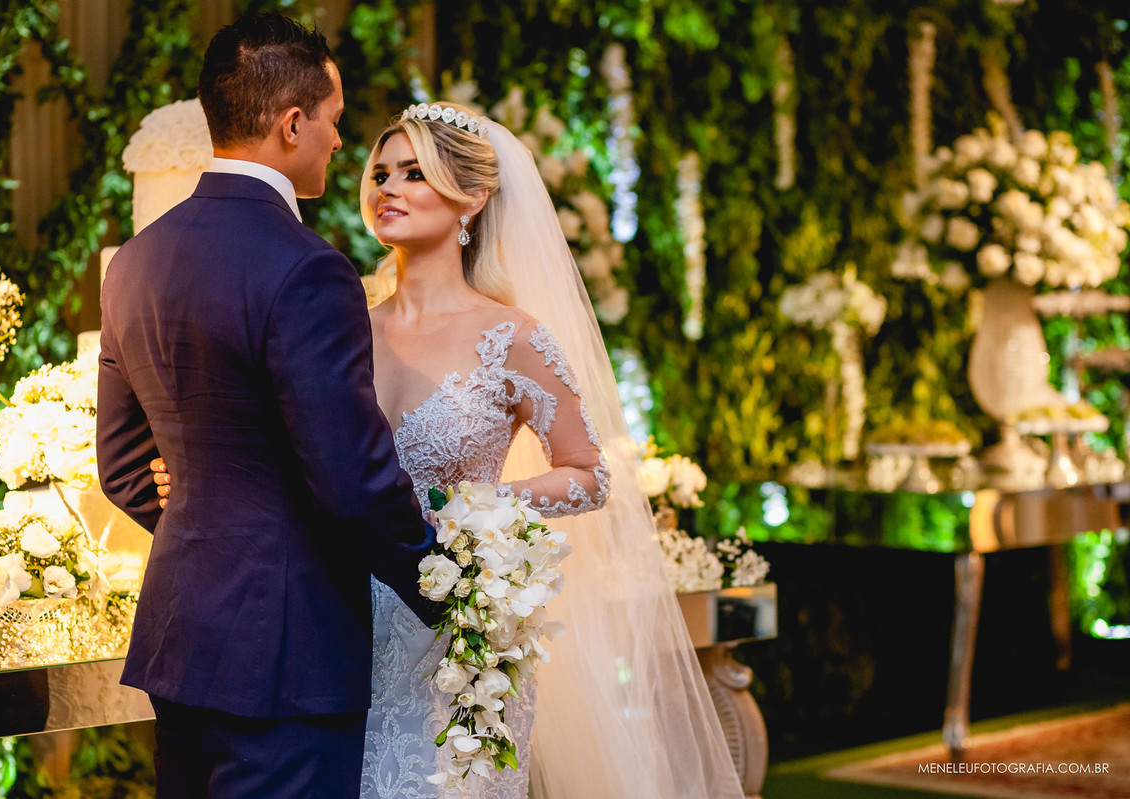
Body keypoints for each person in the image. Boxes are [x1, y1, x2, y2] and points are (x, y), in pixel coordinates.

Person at [157, 100, 745, 798]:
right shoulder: (340, 324)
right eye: (380, 173)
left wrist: (481, 509)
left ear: (472, 198)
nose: (388, 188)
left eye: (414, 173)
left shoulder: (513, 337)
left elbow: (590, 475)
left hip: (454, 634)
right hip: (329, 627)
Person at [95, 14, 437, 799]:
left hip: (182, 636)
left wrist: (217, 530)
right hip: (289, 654)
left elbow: (120, 466)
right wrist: (443, 580)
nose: (340, 142)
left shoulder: (134, 263)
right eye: (333, 121)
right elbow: (351, 479)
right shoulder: (310, 269)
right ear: (291, 123)